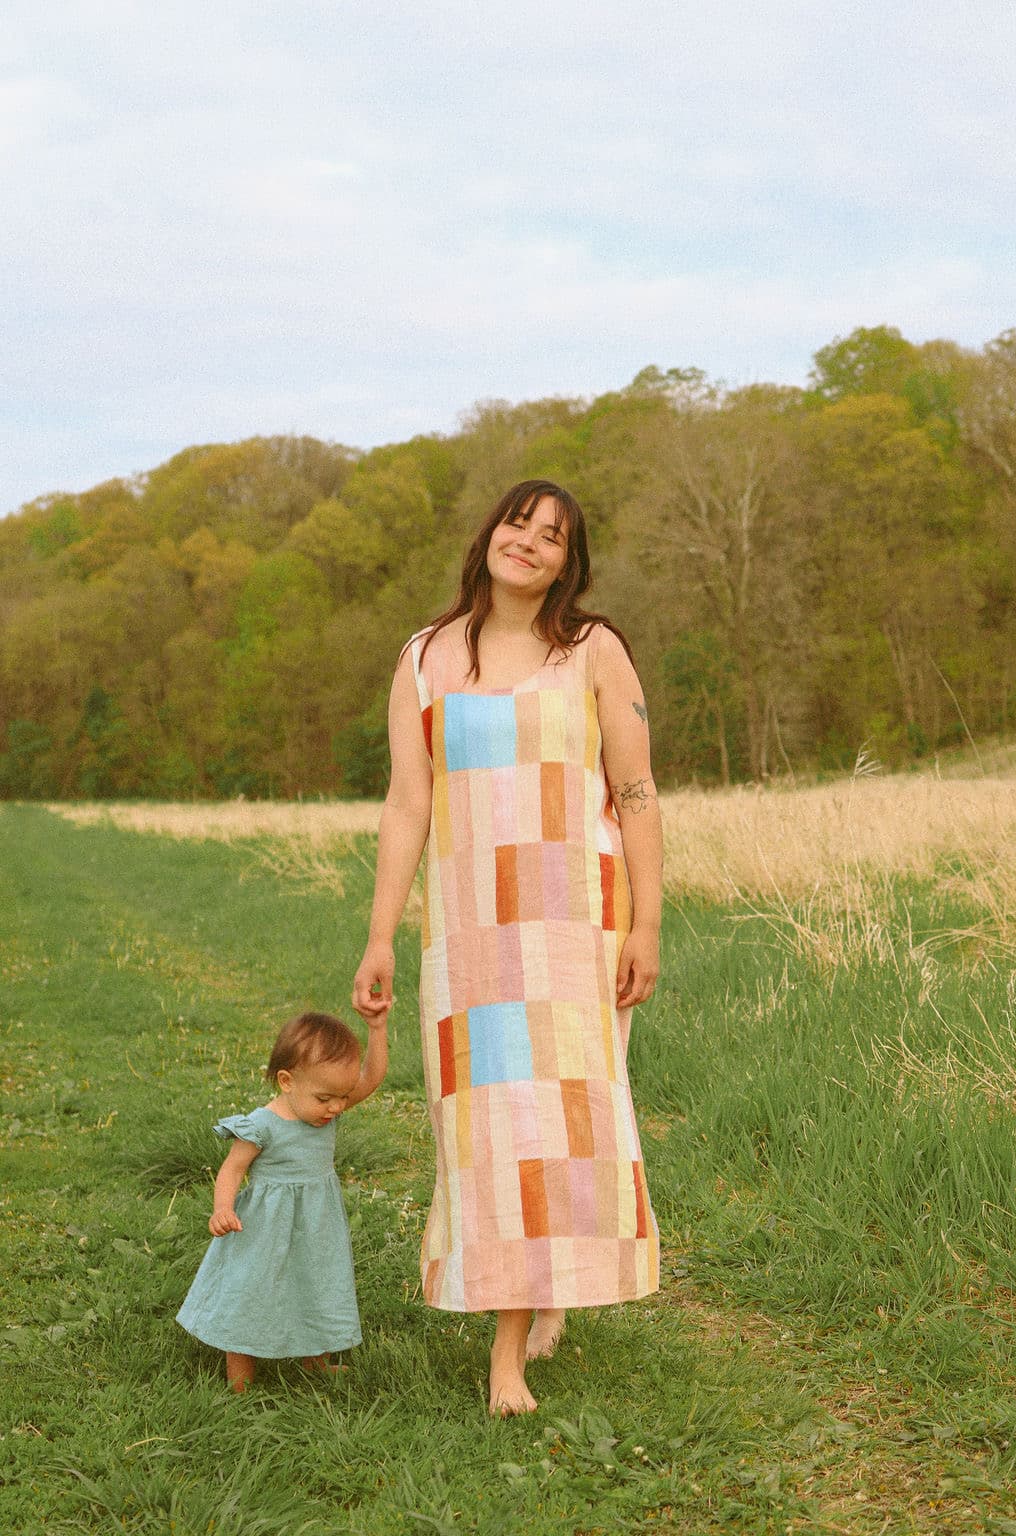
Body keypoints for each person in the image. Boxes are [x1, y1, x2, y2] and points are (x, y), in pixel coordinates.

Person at [353, 478, 661, 1416]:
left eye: (553, 537)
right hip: (473, 933)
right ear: (489, 532)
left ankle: (508, 1357)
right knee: (488, 1132)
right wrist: (380, 937)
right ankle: (534, 1296)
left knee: (563, 1127)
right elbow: (410, 802)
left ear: (570, 563)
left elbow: (638, 792)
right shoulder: (421, 658)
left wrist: (647, 921)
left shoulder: (594, 651)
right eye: (518, 523)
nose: (528, 543)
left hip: (576, 923)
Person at [176, 1010, 388, 1391]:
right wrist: (222, 1208)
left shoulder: (324, 1108)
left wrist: (377, 1028)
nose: (337, 1107)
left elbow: (371, 1079)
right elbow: (231, 1170)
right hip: (264, 1227)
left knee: (317, 1281)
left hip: (317, 1222)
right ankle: (239, 1376)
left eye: (341, 1096)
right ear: (287, 1081)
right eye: (326, 1098)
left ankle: (315, 1360)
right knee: (252, 1290)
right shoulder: (261, 1124)